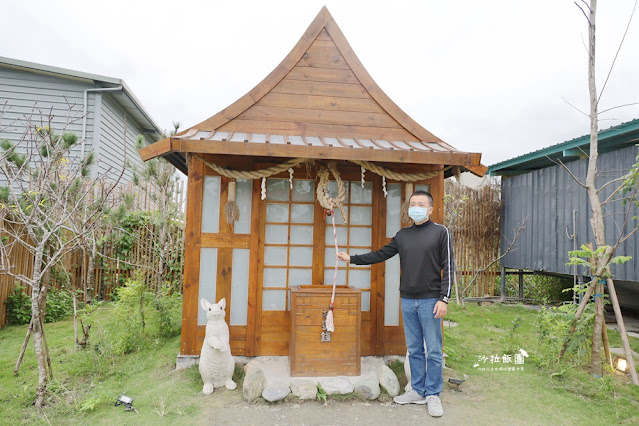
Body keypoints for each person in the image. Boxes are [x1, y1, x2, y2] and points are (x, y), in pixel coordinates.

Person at [337, 190, 453, 418]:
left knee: (434, 350)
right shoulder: (403, 235)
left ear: (430, 209)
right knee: (415, 349)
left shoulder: (441, 233)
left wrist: (444, 298)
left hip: (432, 300)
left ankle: (433, 395)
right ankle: (417, 391)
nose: (416, 207)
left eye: (421, 204)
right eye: (412, 204)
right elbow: (381, 254)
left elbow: (448, 267)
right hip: (408, 299)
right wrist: (353, 259)